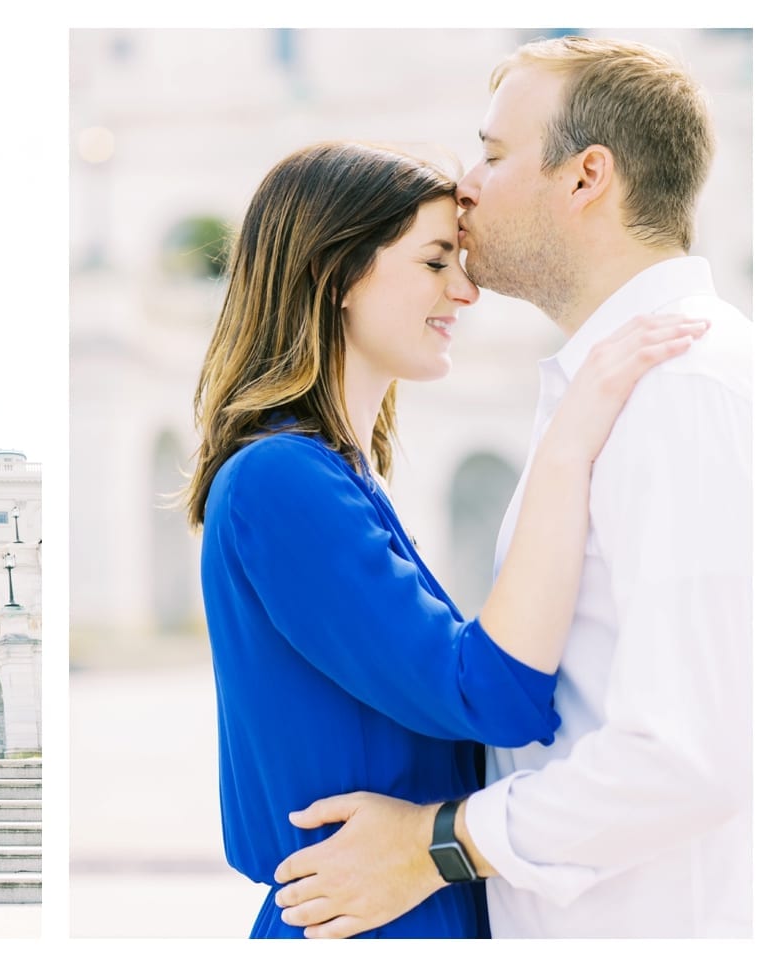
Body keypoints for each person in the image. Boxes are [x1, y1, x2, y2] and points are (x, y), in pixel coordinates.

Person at [271, 36, 751, 939]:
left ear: (585, 177)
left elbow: (690, 754)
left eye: (493, 155)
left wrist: (434, 843)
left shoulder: (681, 387)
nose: (467, 187)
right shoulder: (622, 384)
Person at [184, 138, 707, 938]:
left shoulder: (336, 477)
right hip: (367, 925)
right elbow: (489, 693)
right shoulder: (280, 480)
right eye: (435, 261)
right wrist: (569, 442)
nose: (466, 289)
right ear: (341, 274)